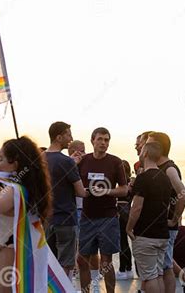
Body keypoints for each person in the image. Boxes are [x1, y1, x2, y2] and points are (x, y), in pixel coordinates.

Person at [0, 136, 52, 292]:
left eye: (1, 159)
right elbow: (0, 209)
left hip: (2, 258)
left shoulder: (15, 190)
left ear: (15, 163)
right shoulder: (20, 189)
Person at [77, 127, 128, 293]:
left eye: (106, 140)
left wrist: (106, 191)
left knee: (106, 261)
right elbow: (71, 183)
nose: (103, 143)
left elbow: (124, 190)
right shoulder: (83, 161)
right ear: (92, 140)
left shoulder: (115, 162)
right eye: (100, 139)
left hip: (108, 217)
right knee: (83, 260)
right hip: (87, 217)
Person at [126, 142, 173, 293]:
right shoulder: (165, 178)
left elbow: (137, 207)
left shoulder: (143, 178)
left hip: (145, 235)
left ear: (145, 153)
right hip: (162, 234)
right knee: (158, 274)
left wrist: (128, 227)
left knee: (149, 277)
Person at [147, 131, 185, 293]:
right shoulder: (157, 167)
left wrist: (174, 219)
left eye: (148, 144)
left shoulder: (169, 169)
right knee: (161, 266)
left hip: (166, 227)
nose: (145, 147)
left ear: (159, 147)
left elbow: (183, 195)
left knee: (166, 266)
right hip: (158, 227)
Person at [45, 122, 87, 278]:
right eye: (69, 134)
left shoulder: (39, 159)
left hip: (46, 219)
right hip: (66, 219)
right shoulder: (67, 162)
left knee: (50, 261)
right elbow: (81, 192)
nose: (71, 138)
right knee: (66, 263)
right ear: (59, 137)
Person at [116, 160, 134, 280]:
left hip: (121, 213)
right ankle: (129, 268)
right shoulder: (132, 182)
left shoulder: (122, 184)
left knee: (122, 242)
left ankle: (123, 269)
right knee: (125, 242)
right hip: (129, 211)